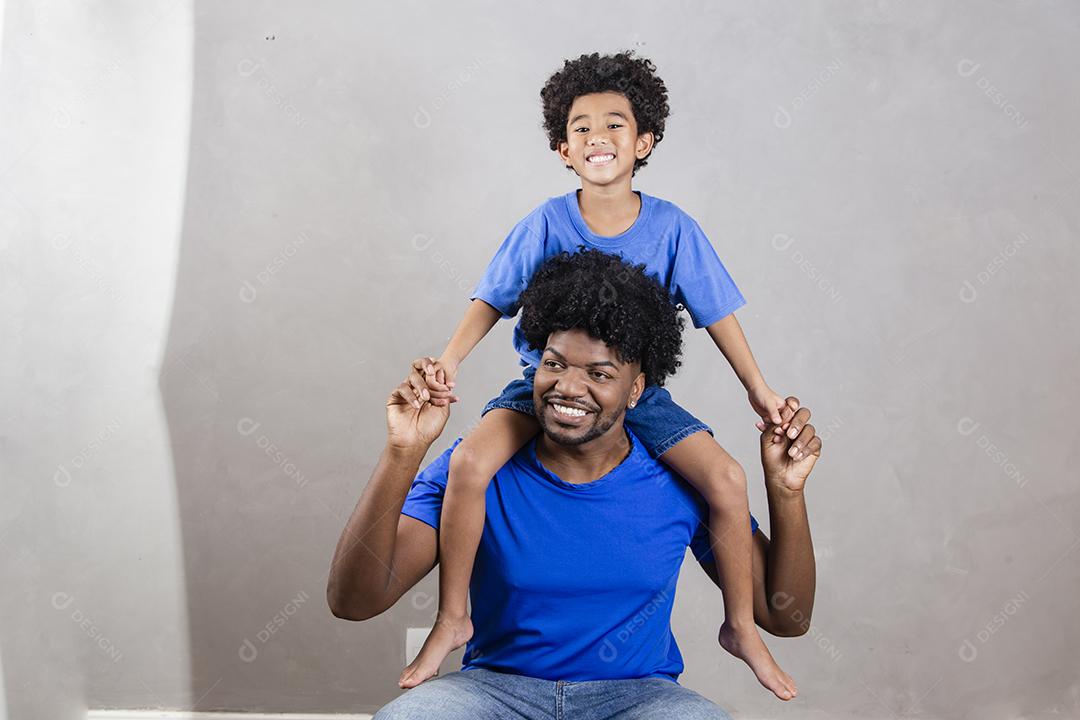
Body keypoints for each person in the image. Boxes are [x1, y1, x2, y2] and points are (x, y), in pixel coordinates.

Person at [399, 50, 800, 699]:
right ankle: (452, 619)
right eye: (581, 127)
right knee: (469, 466)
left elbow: (718, 313)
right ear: (562, 147)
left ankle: (742, 629)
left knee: (726, 479)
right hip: (543, 388)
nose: (597, 138)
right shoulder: (546, 222)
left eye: (615, 125)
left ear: (644, 141)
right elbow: (492, 299)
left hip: (635, 398)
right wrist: (447, 361)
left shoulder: (672, 228)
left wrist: (759, 389)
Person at [327, 251, 821, 718]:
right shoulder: (473, 469)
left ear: (636, 390)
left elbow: (786, 618)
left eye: (600, 373)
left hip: (639, 699)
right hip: (493, 691)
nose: (567, 387)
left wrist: (786, 493)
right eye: (554, 364)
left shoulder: (683, 480)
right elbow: (354, 601)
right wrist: (403, 452)